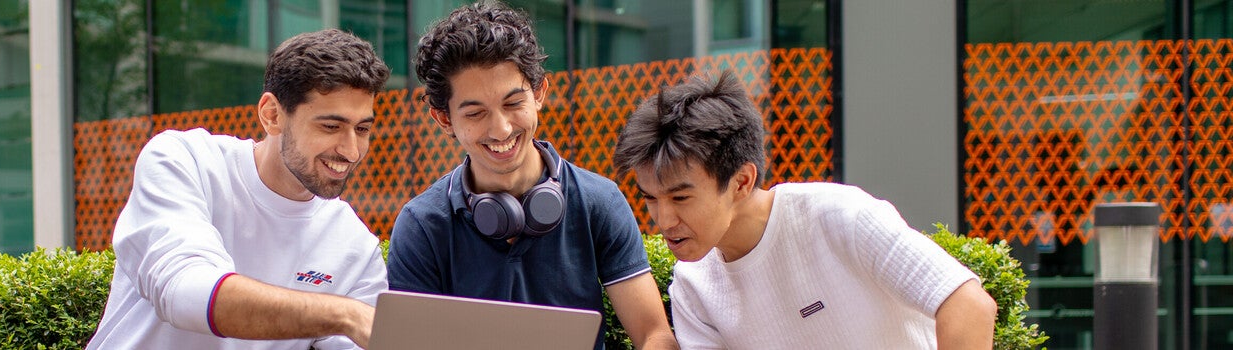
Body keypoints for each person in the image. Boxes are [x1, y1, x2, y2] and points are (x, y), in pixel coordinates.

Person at [611, 71, 998, 349]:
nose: (662, 221)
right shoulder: (693, 285)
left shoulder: (841, 217)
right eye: (650, 198)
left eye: (680, 198)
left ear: (742, 182)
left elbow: (967, 303)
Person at [384, 3, 677, 350]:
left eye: (513, 103)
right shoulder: (421, 226)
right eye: (476, 112)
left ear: (539, 94)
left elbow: (654, 335)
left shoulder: (599, 200)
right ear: (444, 119)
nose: (501, 128)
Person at [86, 29, 391, 349]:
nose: (352, 151)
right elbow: (185, 293)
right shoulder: (184, 161)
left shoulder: (355, 247)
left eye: (362, 129)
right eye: (331, 127)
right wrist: (345, 314)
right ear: (272, 115)